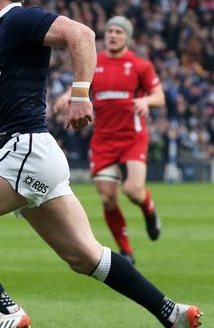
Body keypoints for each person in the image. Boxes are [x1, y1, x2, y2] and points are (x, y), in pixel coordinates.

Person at [0, 0, 201, 328]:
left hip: (23, 148)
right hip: (36, 156)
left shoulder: (20, 20)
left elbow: (80, 33)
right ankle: (172, 313)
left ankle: (5, 309)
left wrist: (81, 93)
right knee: (86, 257)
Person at [55, 16, 165, 265]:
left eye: (118, 32)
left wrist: (146, 101)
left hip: (132, 137)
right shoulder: (97, 61)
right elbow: (82, 83)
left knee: (133, 192)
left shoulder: (140, 65)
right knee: (107, 198)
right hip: (103, 139)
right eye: (110, 31)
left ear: (127, 36)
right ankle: (126, 251)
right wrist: (66, 96)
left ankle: (149, 211)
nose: (113, 35)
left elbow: (159, 96)